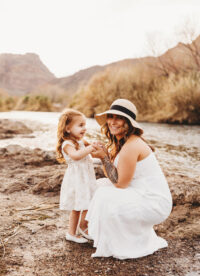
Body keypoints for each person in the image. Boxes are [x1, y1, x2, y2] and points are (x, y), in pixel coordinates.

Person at [86, 98, 172, 259]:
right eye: (110, 117)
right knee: (98, 185)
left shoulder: (132, 145)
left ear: (128, 123)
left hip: (154, 201)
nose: (112, 121)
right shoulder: (120, 143)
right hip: (138, 192)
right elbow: (112, 176)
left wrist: (104, 158)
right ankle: (115, 235)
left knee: (104, 195)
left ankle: (125, 242)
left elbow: (120, 184)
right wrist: (105, 155)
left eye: (118, 118)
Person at [56, 108, 97, 243]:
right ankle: (72, 233)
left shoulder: (81, 140)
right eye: (80, 125)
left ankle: (83, 228)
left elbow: (90, 150)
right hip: (77, 179)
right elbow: (76, 156)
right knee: (76, 207)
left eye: (85, 125)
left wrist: (96, 146)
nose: (84, 128)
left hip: (85, 177)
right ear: (68, 128)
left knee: (87, 202)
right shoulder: (67, 144)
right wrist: (90, 148)